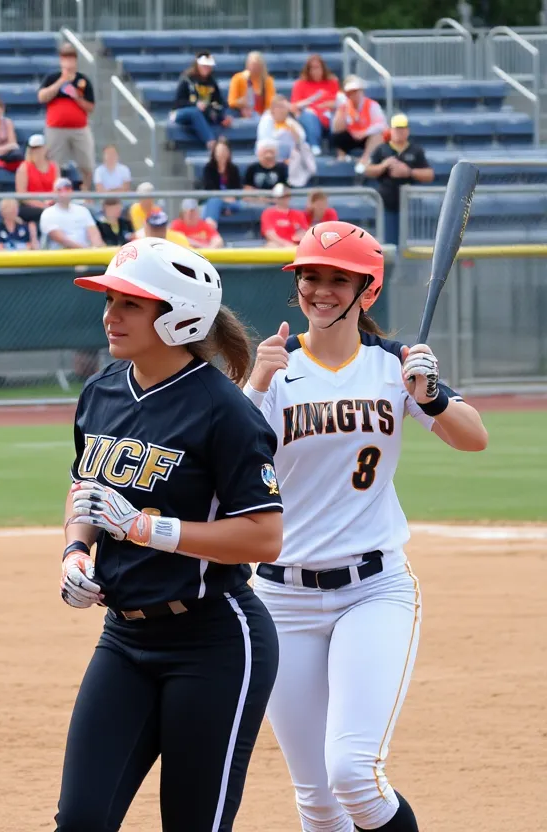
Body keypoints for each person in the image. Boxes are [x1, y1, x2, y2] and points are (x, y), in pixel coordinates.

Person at [242, 221, 488, 832]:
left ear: (366, 292)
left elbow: (473, 438)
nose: (320, 291)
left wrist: (429, 395)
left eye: (337, 279)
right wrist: (252, 386)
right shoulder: (273, 369)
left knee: (353, 773)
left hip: (372, 590)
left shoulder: (394, 365)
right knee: (317, 801)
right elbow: (223, 466)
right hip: (280, 597)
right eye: (310, 277)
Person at [55, 236, 282, 831]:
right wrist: (77, 550)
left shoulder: (226, 411)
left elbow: (264, 537)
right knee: (80, 819)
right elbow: (86, 492)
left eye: (130, 303)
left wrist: (149, 529)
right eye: (110, 300)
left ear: (180, 314)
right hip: (123, 638)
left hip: (214, 639)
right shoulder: (101, 391)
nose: (110, 315)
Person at [365, 114, 433, 246]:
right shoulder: (382, 149)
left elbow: (429, 174)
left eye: (402, 129)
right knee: (389, 242)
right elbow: (368, 170)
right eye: (396, 129)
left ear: (407, 131)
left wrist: (409, 171)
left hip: (409, 205)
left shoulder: (415, 150)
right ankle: (390, 266)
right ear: (391, 130)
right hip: (387, 204)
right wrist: (383, 165)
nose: (399, 132)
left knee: (409, 243)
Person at [39, 42, 96, 188]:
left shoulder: (83, 80)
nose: (68, 62)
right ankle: (56, 193)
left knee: (86, 163)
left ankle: (86, 191)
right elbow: (42, 97)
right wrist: (61, 81)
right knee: (55, 164)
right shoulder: (52, 78)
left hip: (79, 128)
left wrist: (77, 97)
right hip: (56, 129)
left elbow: (91, 107)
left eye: (71, 58)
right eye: (65, 58)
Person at [171, 51, 231, 152]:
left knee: (208, 115)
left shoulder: (212, 83)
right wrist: (195, 104)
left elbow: (219, 102)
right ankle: (211, 142)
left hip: (203, 114)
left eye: (208, 66)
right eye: (204, 66)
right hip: (182, 113)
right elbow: (178, 102)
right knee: (195, 112)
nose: (206, 68)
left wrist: (222, 117)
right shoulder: (187, 79)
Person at [331, 75, 386, 167]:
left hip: (366, 137)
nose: (354, 95)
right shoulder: (344, 106)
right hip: (352, 136)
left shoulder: (372, 105)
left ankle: (365, 158)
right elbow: (335, 128)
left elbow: (382, 125)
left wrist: (364, 133)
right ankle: (342, 156)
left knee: (378, 136)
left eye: (356, 91)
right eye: (350, 92)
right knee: (337, 136)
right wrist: (341, 108)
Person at [290, 54, 338, 152]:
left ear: (323, 68)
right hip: (310, 117)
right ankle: (314, 145)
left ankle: (337, 148)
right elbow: (294, 106)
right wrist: (310, 101)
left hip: (328, 116)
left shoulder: (332, 82)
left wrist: (328, 105)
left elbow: (339, 101)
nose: (315, 71)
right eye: (312, 68)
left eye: (317, 68)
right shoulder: (300, 84)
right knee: (309, 114)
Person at [40, 177, 102, 250]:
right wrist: (87, 251)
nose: (64, 193)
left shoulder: (83, 211)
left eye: (67, 189)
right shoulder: (48, 213)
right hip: (61, 257)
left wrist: (97, 249)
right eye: (59, 190)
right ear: (54, 192)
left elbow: (94, 235)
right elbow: (62, 240)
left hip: (86, 255)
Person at [15, 134, 57, 225]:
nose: (37, 151)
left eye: (39, 148)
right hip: (30, 205)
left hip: (51, 202)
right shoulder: (24, 168)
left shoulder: (54, 166)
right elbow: (22, 195)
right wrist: (41, 205)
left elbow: (57, 188)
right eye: (33, 148)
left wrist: (49, 201)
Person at [201, 137, 242, 230]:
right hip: (214, 199)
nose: (222, 154)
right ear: (214, 153)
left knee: (238, 205)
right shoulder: (208, 168)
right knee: (214, 201)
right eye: (219, 151)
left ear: (229, 152)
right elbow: (209, 188)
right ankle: (210, 228)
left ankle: (209, 228)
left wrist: (231, 198)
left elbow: (237, 189)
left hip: (232, 201)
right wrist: (223, 197)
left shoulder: (234, 169)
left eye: (224, 151)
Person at [256, 95, 306, 164]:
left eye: (285, 107)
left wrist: (294, 134)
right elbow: (266, 142)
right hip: (269, 154)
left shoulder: (290, 122)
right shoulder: (266, 119)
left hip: (289, 155)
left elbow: (301, 139)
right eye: (280, 107)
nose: (283, 110)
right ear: (272, 109)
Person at [227, 51, 275, 119]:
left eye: (257, 66)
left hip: (261, 116)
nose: (254, 68)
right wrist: (240, 103)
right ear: (247, 65)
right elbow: (231, 102)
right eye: (252, 65)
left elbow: (269, 104)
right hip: (240, 114)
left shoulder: (268, 81)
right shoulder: (238, 78)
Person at [261, 184, 308, 248]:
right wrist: (286, 244)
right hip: (278, 245)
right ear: (276, 198)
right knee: (271, 246)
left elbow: (304, 232)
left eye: (287, 196)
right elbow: (270, 234)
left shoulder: (298, 214)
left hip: (295, 245)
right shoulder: (268, 213)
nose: (285, 199)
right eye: (282, 197)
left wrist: (299, 237)